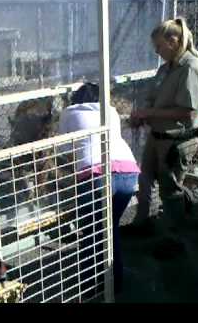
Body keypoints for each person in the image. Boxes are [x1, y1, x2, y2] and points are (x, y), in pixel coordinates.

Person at [130, 17, 198, 259]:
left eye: (159, 46)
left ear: (174, 41)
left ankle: (176, 240)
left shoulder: (191, 67)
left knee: (170, 191)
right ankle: (143, 222)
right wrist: (142, 112)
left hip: (177, 138)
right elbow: (155, 95)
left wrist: (149, 112)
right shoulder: (168, 67)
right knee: (145, 179)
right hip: (158, 134)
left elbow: (188, 111)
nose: (156, 51)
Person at [58, 82, 140, 297]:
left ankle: (91, 288)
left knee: (91, 233)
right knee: (109, 229)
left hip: (96, 175)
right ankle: (114, 283)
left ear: (76, 99)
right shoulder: (110, 111)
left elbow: (65, 147)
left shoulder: (68, 112)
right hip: (128, 172)